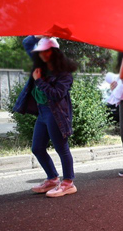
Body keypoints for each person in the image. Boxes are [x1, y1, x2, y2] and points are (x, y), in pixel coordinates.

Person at [14, 36, 78, 196]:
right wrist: (39, 35)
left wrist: (39, 81)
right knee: (37, 148)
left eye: (45, 51)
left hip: (55, 113)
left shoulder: (64, 74)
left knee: (61, 148)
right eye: (40, 52)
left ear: (54, 52)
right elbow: (27, 43)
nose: (41, 55)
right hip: (42, 112)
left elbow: (57, 94)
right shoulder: (39, 65)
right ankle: (52, 179)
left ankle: (68, 182)